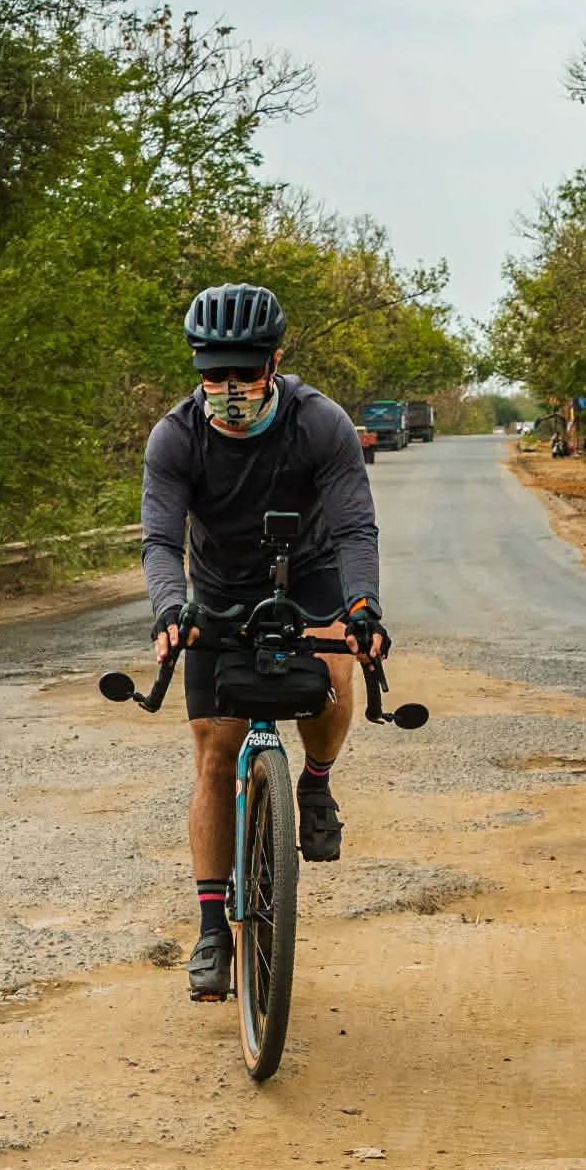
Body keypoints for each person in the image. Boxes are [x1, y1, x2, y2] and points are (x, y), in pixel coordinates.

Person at [140, 283, 391, 1000]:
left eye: (244, 373)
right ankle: (213, 929)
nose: (228, 388)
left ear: (275, 362)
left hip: (305, 571)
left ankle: (315, 787)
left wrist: (363, 608)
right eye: (214, 373)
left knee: (335, 673)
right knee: (215, 757)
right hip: (216, 586)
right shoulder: (176, 436)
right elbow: (160, 539)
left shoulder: (321, 424)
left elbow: (353, 530)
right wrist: (169, 610)